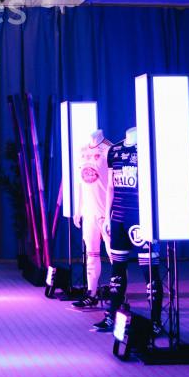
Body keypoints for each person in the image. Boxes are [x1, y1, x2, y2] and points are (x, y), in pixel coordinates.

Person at [95, 133, 163, 334]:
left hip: (142, 220)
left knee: (149, 272)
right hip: (118, 219)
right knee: (116, 271)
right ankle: (111, 316)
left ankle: (156, 322)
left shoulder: (147, 148)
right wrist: (108, 217)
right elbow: (110, 187)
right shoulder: (114, 150)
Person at [71, 130, 112, 310]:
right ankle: (91, 293)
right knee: (91, 254)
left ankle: (120, 294)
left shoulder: (109, 149)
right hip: (88, 212)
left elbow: (112, 184)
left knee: (114, 255)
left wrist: (110, 213)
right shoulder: (81, 151)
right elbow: (80, 183)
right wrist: (77, 209)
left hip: (105, 212)